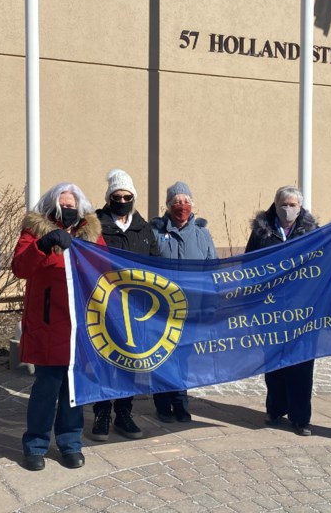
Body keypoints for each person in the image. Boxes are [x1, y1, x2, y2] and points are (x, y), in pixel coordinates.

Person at [12, 182, 106, 471]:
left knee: (73, 389)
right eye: (63, 204)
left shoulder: (91, 234)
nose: (67, 208)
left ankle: (70, 443)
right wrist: (43, 245)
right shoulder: (35, 231)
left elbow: (105, 269)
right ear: (53, 205)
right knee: (46, 388)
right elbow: (20, 268)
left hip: (79, 324)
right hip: (47, 322)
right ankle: (35, 445)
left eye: (72, 205)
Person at [90, 168, 161, 441]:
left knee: (130, 361)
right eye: (116, 196)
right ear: (109, 198)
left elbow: (156, 263)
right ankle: (102, 412)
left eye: (126, 196)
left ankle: (123, 411)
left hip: (137, 307)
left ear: (133, 197)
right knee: (105, 360)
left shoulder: (144, 229)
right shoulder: (95, 225)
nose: (122, 200)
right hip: (105, 305)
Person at [244, 185, 318, 437]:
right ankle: (275, 409)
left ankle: (300, 417)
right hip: (270, 310)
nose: (288, 209)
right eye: (283, 204)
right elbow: (248, 265)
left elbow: (322, 266)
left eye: (292, 205)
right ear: (275, 205)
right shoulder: (262, 232)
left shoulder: (311, 232)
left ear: (301, 207)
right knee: (274, 361)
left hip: (302, 311)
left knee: (301, 365)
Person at [149, 181, 217, 424]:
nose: (182, 206)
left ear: (192, 204)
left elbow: (212, 270)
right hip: (162, 309)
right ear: (168, 206)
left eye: (186, 201)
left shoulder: (202, 233)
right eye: (177, 202)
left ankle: (180, 402)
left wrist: (210, 303)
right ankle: (162, 404)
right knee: (162, 355)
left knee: (184, 357)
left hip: (192, 308)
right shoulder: (155, 232)